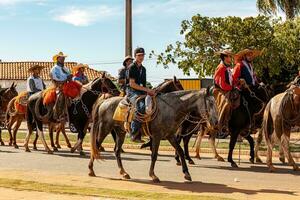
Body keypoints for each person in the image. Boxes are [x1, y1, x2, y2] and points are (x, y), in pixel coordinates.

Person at [126, 47, 155, 143]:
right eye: (139, 55)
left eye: (142, 55)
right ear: (135, 56)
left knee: (154, 103)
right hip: (131, 91)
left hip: (140, 91)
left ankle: (147, 130)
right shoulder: (132, 67)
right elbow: (132, 84)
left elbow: (143, 83)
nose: (141, 57)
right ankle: (134, 133)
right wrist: (146, 89)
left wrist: (149, 91)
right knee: (141, 107)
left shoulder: (143, 69)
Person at [213, 50, 234, 134]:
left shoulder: (227, 67)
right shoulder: (221, 67)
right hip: (221, 90)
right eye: (229, 56)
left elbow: (230, 80)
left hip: (228, 89)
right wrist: (231, 87)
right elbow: (222, 84)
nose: (230, 58)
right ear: (225, 57)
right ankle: (221, 124)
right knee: (227, 103)